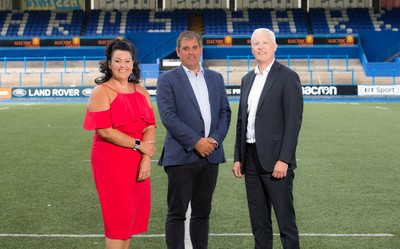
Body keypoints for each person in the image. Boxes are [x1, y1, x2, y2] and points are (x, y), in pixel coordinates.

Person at [156, 31, 231, 249]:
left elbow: (224, 113)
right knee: (177, 213)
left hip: (211, 156)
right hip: (181, 155)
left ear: (201, 49)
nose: (191, 52)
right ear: (178, 52)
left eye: (194, 48)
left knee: (202, 213)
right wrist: (197, 142)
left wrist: (214, 140)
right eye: (186, 49)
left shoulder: (216, 78)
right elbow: (168, 117)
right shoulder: (166, 80)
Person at [232, 28, 303, 249]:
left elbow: (293, 123)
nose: (260, 47)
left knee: (285, 222)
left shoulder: (288, 77)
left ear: (274, 46)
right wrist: (238, 157)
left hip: (276, 161)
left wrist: (285, 159)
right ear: (251, 47)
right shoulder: (246, 79)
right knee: (259, 223)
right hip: (251, 160)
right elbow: (241, 123)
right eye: (256, 43)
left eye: (265, 43)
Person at [83, 38, 156, 249]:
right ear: (109, 64)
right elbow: (104, 130)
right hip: (111, 161)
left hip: (137, 158)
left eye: (127, 60)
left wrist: (146, 158)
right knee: (117, 219)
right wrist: (139, 145)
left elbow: (150, 125)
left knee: (129, 220)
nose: (122, 65)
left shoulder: (140, 91)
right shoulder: (101, 92)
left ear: (133, 63)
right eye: (117, 61)